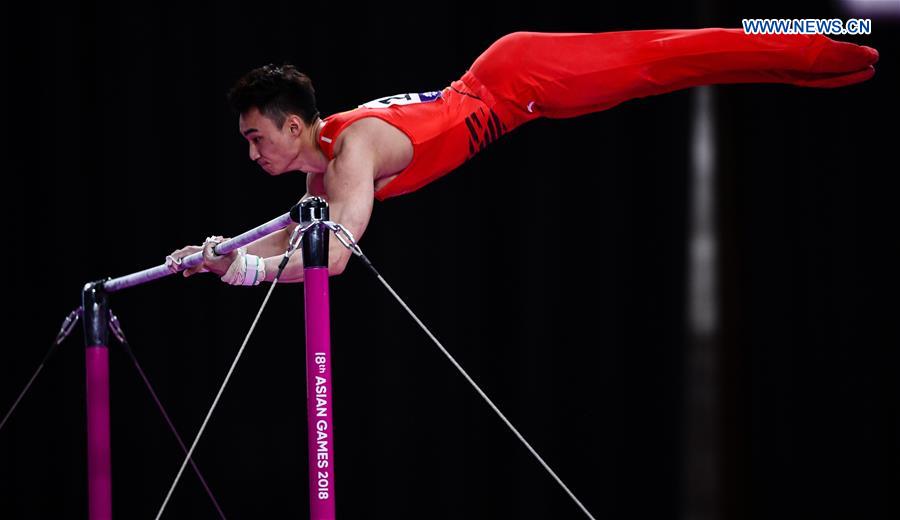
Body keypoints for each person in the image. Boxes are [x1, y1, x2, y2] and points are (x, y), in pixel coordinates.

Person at [165, 28, 879, 284]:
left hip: (522, 79)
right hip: (515, 92)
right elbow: (292, 234)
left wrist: (243, 271)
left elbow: (335, 255)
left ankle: (826, 41)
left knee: (671, 57)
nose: (251, 152)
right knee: (673, 63)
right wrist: (219, 255)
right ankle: (819, 56)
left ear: (295, 127)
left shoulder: (350, 154)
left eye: (257, 136)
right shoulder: (325, 166)